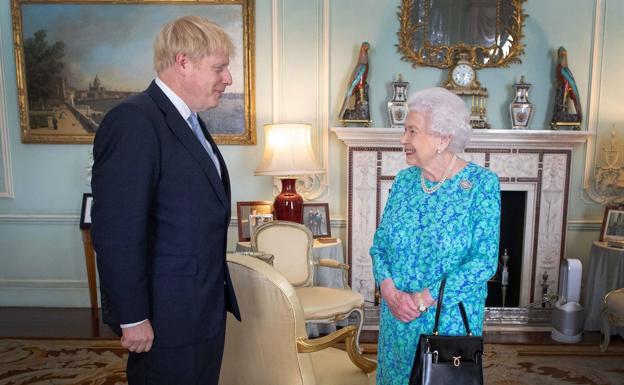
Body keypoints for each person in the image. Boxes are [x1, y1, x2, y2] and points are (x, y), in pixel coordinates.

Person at [90, 16, 240, 385]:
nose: (228, 79)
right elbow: (116, 231)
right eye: (219, 68)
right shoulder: (134, 121)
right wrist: (132, 316)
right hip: (165, 316)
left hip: (199, 309)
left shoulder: (188, 120)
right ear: (183, 62)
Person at [370, 87, 500, 385]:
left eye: (412, 131)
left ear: (443, 139)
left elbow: (483, 262)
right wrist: (390, 293)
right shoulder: (404, 181)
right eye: (404, 130)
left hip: (448, 320)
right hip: (398, 316)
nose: (403, 139)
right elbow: (380, 247)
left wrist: (421, 300)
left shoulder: (481, 185)